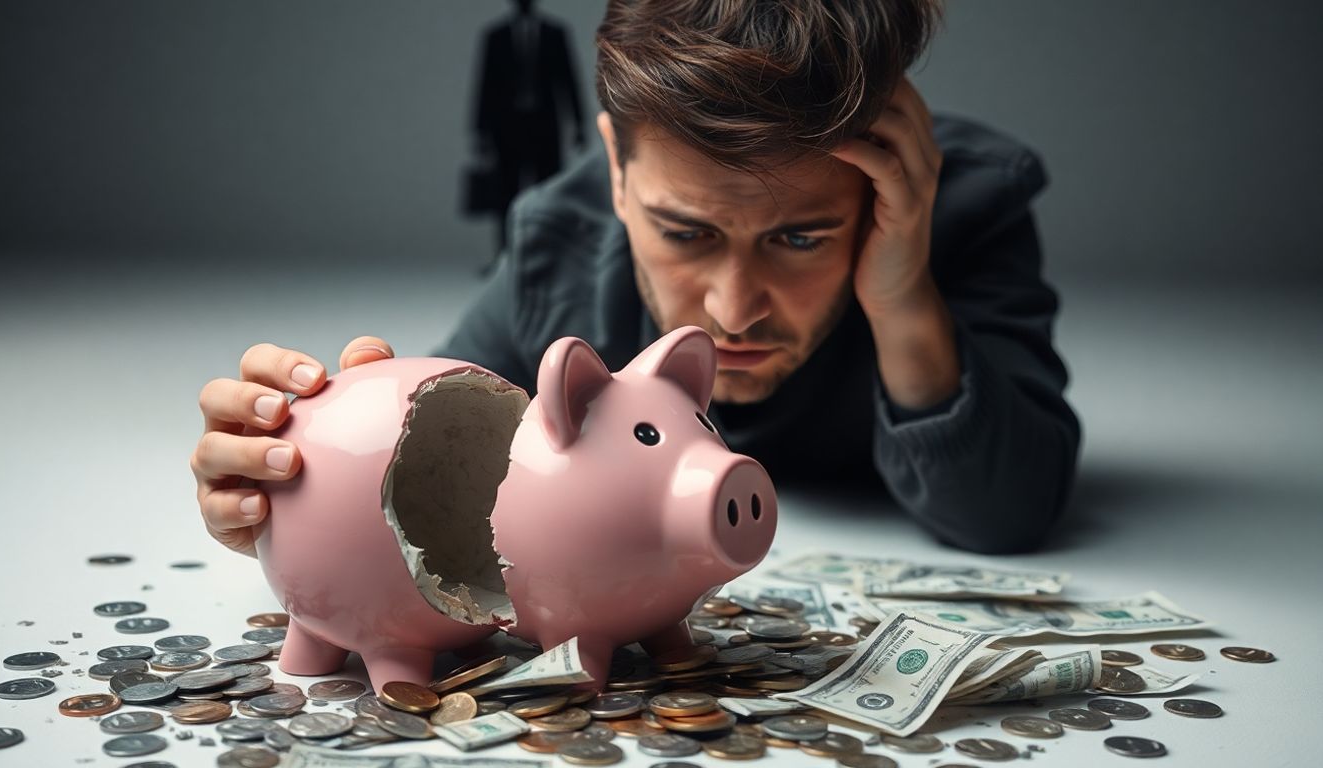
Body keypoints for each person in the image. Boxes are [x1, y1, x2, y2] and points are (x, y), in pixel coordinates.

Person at [191, 0, 1080, 558]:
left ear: (887, 193)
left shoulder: (963, 213)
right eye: (684, 231)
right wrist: (300, 474)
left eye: (801, 237)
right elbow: (435, 472)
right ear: (616, 169)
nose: (732, 309)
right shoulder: (562, 240)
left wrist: (901, 293)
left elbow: (1005, 514)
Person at [470, 0, 586, 254]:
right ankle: (506, 254)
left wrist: (580, 124)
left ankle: (546, 252)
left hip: (544, 126)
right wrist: (480, 132)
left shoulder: (555, 34)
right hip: (507, 128)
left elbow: (568, 82)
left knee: (548, 192)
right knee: (506, 194)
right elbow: (485, 87)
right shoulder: (496, 36)